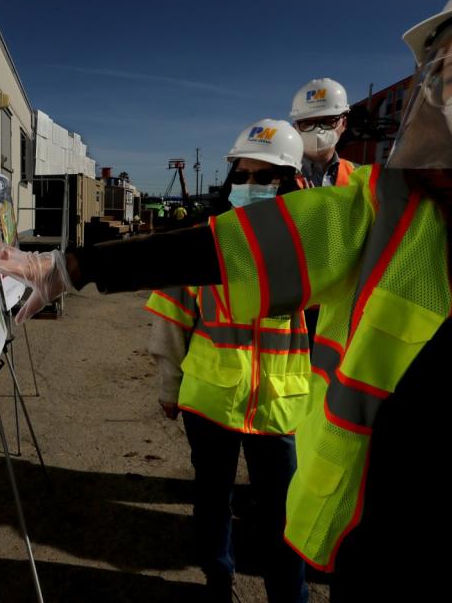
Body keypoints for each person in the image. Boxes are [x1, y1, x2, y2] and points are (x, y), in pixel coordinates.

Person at [0, 0, 452, 600]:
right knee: (227, 517)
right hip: (386, 540)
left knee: (271, 521)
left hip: (285, 413)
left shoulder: (363, 199)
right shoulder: (388, 216)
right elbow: (213, 260)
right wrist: (70, 267)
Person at [147, 120, 310, 602]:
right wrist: (168, 387)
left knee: (284, 516)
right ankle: (218, 583)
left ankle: (290, 597)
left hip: (281, 405)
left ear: (292, 183)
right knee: (213, 502)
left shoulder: (310, 249)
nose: (250, 186)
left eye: (266, 177)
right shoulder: (203, 241)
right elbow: (171, 321)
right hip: (210, 401)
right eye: (242, 175)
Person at [289, 78, 355, 189]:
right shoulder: (273, 174)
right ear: (296, 128)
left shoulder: (358, 175)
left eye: (327, 121)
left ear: (343, 124)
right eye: (307, 123)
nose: (318, 130)